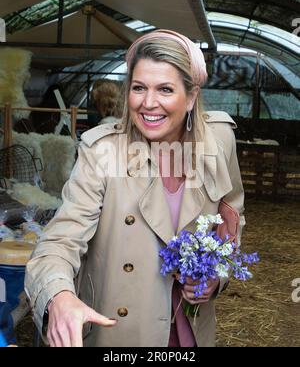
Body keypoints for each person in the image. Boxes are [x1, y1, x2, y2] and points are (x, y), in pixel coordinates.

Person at [25, 29, 245, 347]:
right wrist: (58, 296)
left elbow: (230, 220)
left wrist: (216, 276)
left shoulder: (219, 140)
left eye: (165, 89)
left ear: (192, 96)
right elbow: (59, 242)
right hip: (121, 333)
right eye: (139, 88)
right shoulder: (103, 152)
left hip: (190, 333)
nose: (148, 103)